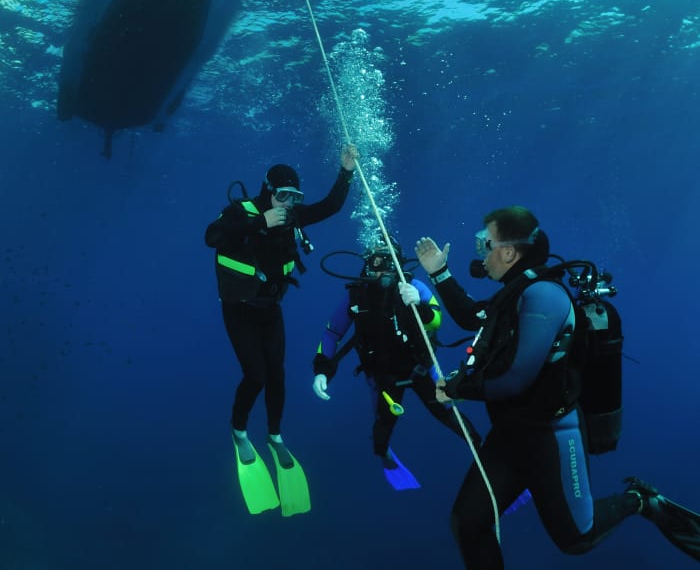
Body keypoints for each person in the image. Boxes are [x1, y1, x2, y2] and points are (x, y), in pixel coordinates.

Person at [415, 206, 700, 568]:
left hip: (549, 437)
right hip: (509, 436)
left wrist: (458, 387)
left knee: (577, 539)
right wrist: (439, 272)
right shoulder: (513, 293)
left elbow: (517, 378)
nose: (481, 253)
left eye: (484, 243)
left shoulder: (544, 297)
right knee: (469, 523)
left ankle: (639, 501)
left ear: (508, 251)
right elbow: (473, 317)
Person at [205, 143, 358, 516]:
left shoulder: (292, 217)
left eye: (294, 196)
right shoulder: (241, 212)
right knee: (254, 374)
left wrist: (346, 172)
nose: (288, 203)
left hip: (270, 310)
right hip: (239, 309)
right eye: (282, 195)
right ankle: (239, 432)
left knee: (277, 376)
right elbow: (212, 236)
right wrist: (261, 221)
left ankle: (275, 436)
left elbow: (330, 206)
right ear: (267, 189)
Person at [312, 236, 480, 490]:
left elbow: (436, 320)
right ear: (367, 262)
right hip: (382, 377)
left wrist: (419, 305)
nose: (383, 269)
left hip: (422, 368)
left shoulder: (415, 286)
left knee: (448, 413)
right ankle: (385, 457)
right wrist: (322, 371)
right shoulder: (356, 295)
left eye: (389, 261)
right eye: (377, 261)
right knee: (383, 424)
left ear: (399, 263)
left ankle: (482, 452)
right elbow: (332, 333)